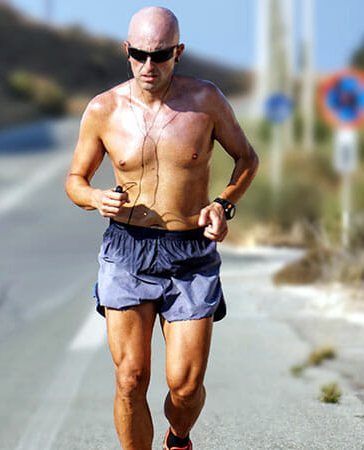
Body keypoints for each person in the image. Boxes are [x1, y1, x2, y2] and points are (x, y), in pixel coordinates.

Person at [64, 6, 259, 450]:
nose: (148, 66)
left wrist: (222, 203)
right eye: (139, 55)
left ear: (179, 52)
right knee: (131, 378)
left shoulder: (206, 101)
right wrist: (96, 197)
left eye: (161, 55)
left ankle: (178, 438)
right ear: (126, 51)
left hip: (190, 253)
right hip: (127, 250)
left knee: (185, 388)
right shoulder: (103, 109)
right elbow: (75, 180)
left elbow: (247, 158)